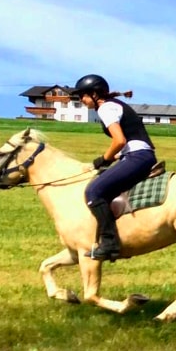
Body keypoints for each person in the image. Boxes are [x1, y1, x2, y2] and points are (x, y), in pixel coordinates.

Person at [69, 74, 157, 261]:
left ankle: (110, 244)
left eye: (82, 96)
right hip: (137, 154)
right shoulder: (113, 105)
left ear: (94, 94)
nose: (81, 101)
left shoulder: (106, 108)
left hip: (138, 156)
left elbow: (119, 140)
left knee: (94, 191)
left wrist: (104, 159)